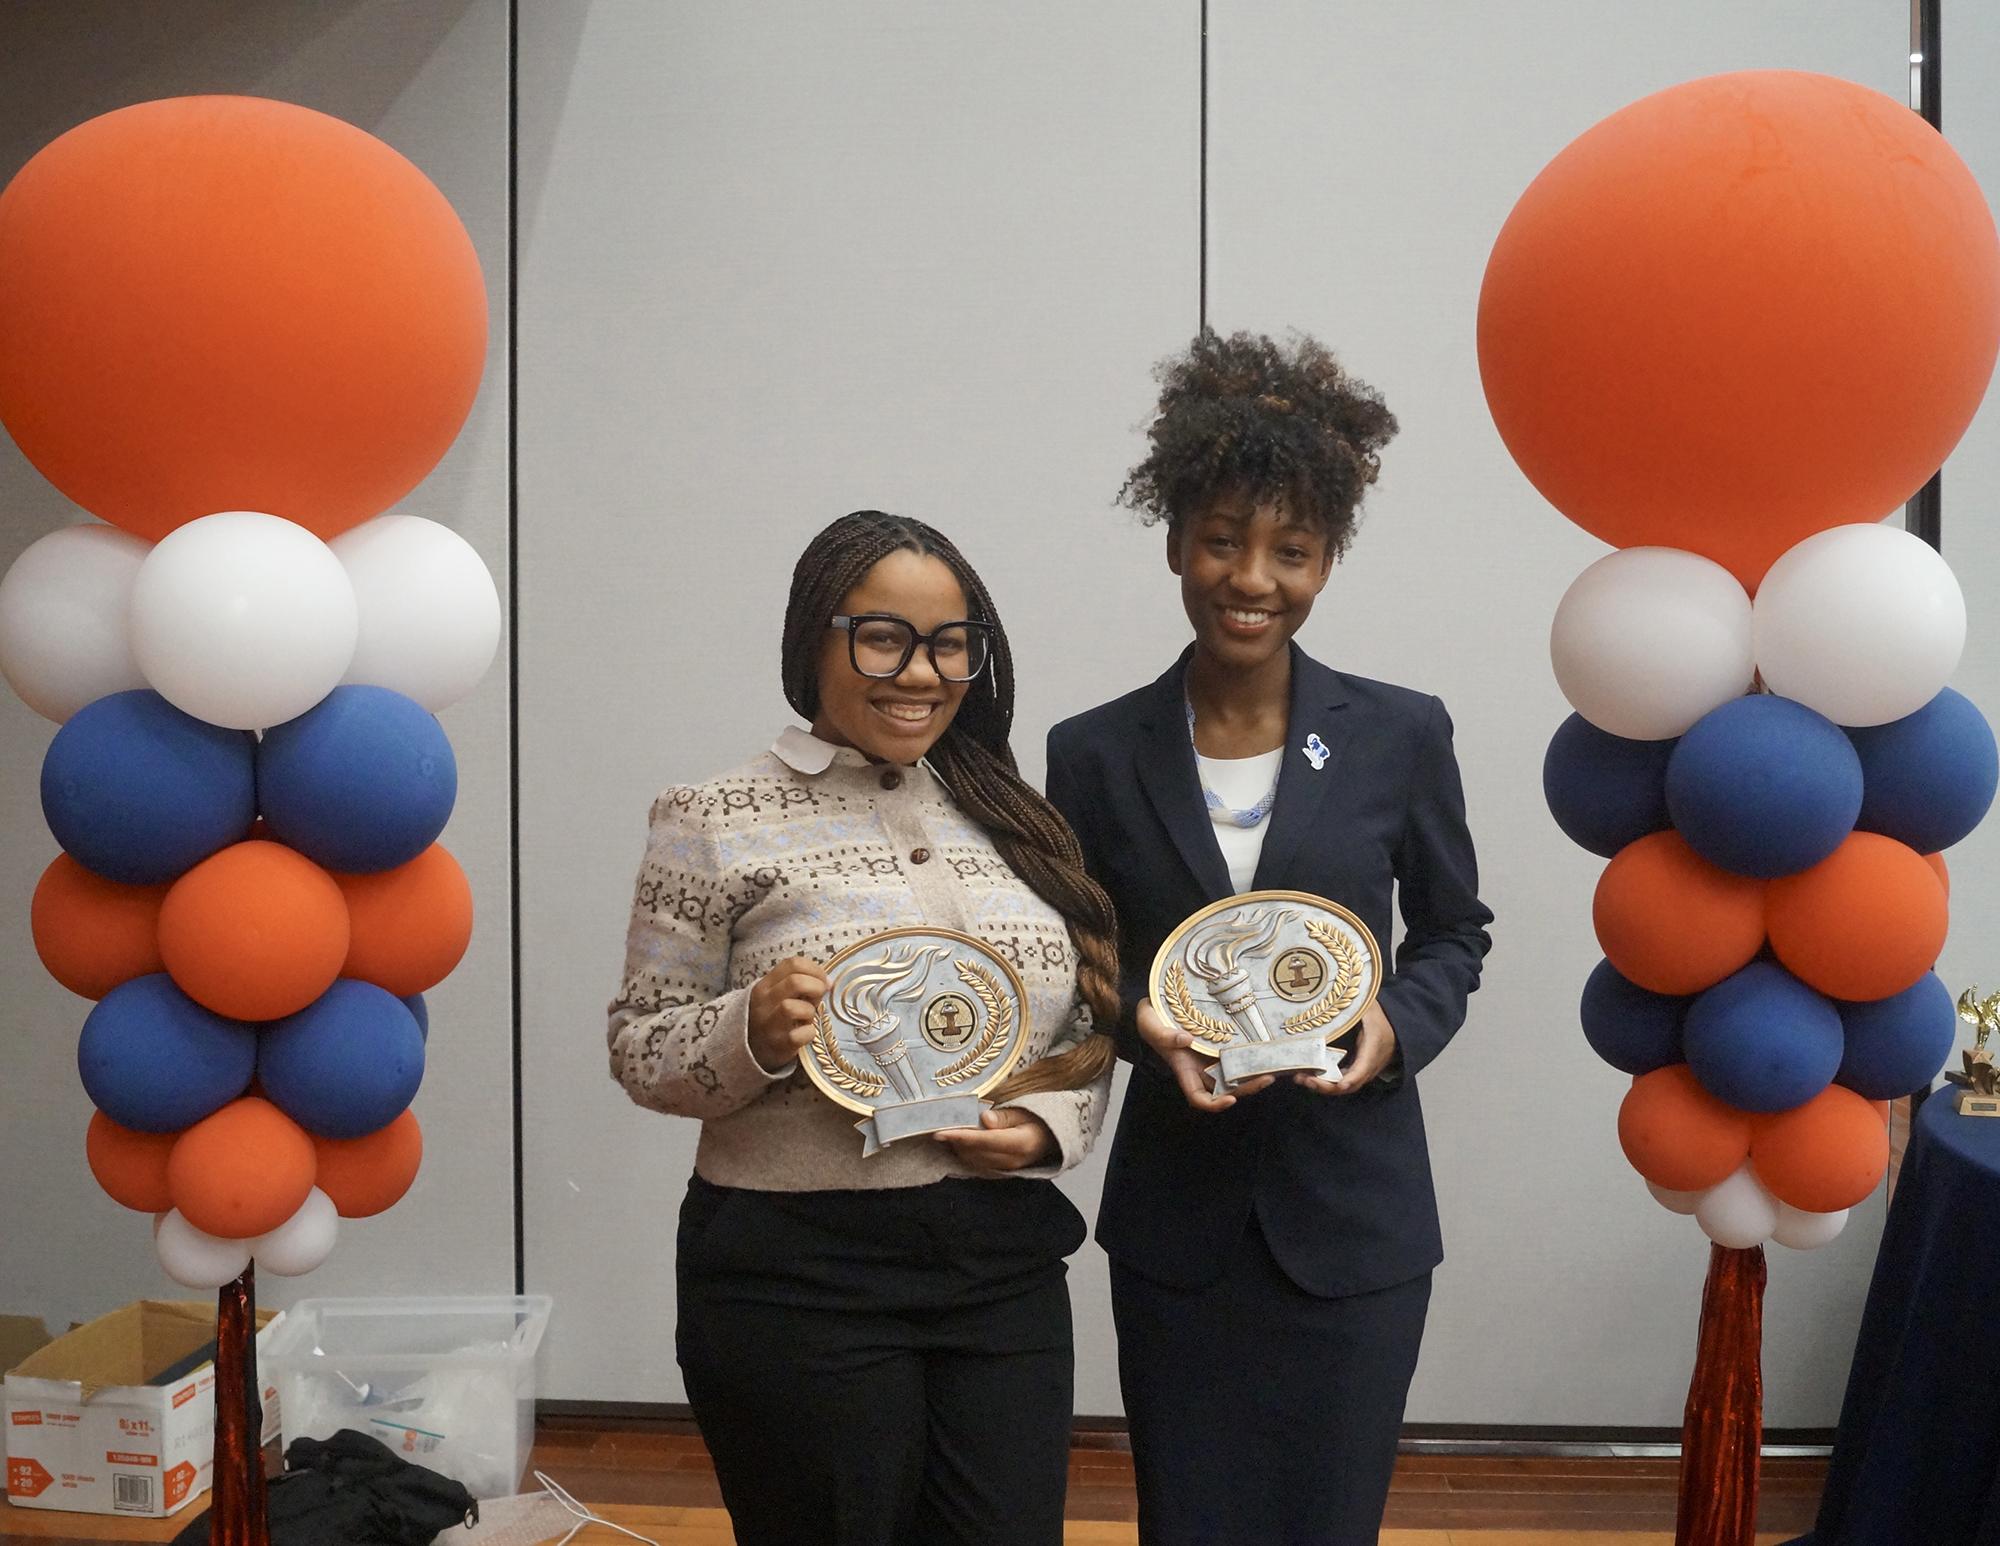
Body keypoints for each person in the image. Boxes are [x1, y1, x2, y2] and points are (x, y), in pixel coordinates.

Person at [1046, 331, 1494, 1545]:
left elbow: (1454, 930)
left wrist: (1391, 1025)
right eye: (1221, 539)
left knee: (1326, 1520)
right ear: (1175, 540)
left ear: (1326, 559)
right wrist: (1142, 1024)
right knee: (1185, 1518)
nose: (1252, 576)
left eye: (1289, 549)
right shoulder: (1091, 751)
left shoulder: (1400, 733)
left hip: (1355, 1219)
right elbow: (1081, 961)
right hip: (1177, 1228)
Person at [607, 510, 1119, 1546]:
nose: (919, 672)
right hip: (795, 1276)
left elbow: (1080, 1024)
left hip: (998, 1268)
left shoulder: (1011, 816)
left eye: (948, 643)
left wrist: (1047, 1128)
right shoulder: (712, 816)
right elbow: (639, 1048)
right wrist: (744, 1029)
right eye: (881, 636)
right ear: (814, 638)